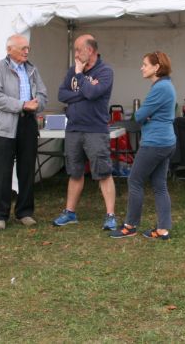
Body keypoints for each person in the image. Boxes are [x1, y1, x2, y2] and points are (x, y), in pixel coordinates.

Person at [52, 34, 118, 230]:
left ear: (90, 51)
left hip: (95, 130)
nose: (76, 53)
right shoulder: (72, 70)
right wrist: (83, 90)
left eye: (78, 49)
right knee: (74, 172)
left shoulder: (105, 71)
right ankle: (70, 212)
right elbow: (62, 94)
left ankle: (110, 215)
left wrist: (80, 77)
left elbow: (93, 93)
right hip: (73, 129)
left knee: (103, 172)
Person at [110, 51, 176, 241]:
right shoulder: (165, 85)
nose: (142, 67)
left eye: (145, 64)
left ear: (157, 67)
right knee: (159, 185)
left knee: (135, 181)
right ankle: (163, 229)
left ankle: (130, 225)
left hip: (155, 143)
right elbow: (144, 114)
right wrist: (147, 114)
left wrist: (146, 115)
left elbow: (138, 116)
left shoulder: (160, 88)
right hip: (165, 141)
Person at [0, 34, 47, 230]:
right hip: (5, 126)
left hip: (28, 124)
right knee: (3, 170)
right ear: (9, 49)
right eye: (23, 48)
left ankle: (25, 212)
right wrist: (23, 105)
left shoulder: (32, 69)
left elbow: (43, 94)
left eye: (27, 48)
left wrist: (36, 104)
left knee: (27, 170)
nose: (26, 52)